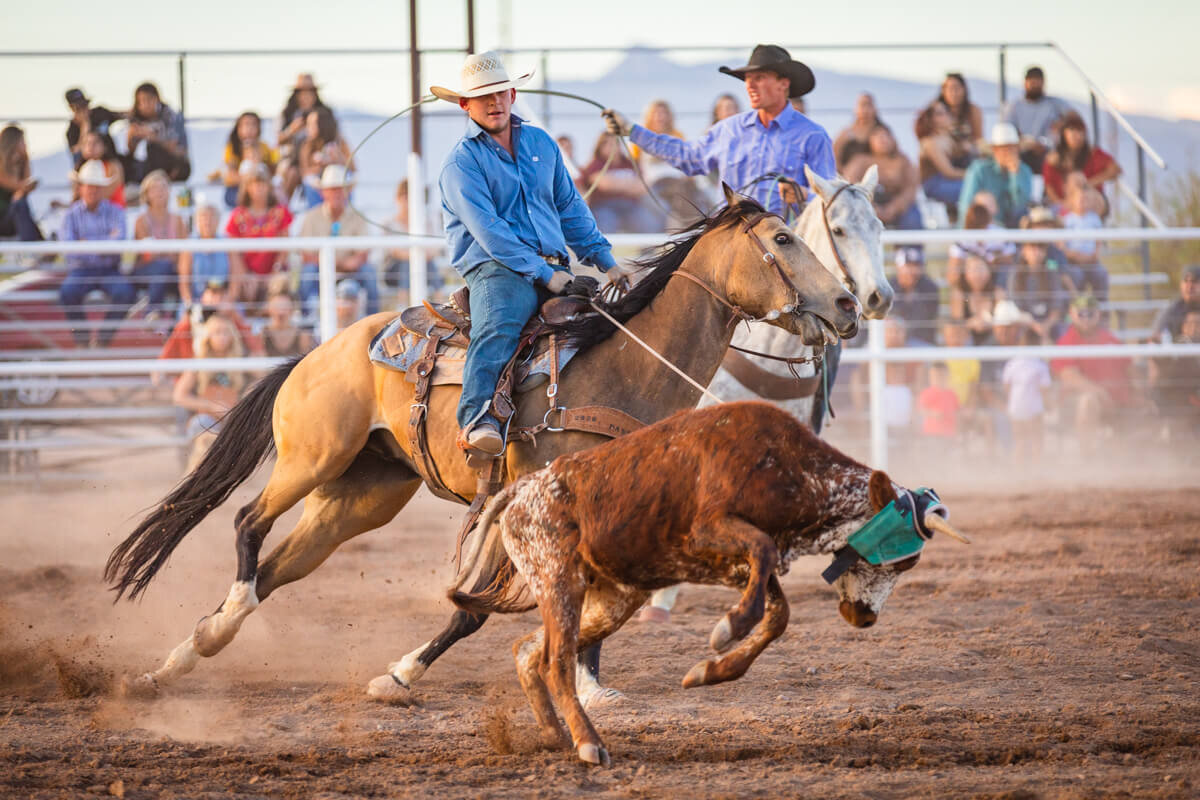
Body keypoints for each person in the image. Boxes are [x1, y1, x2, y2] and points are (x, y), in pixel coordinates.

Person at [432, 50, 628, 458]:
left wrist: (606, 261)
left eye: (500, 92)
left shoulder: (541, 144)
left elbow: (570, 207)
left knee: (606, 326)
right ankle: (477, 418)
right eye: (482, 96)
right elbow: (491, 234)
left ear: (513, 93)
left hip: (553, 265)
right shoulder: (461, 163)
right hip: (496, 269)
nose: (494, 102)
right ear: (465, 105)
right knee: (500, 323)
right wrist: (544, 274)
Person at [604, 44, 832, 216]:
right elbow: (688, 155)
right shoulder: (729, 130)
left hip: (786, 241)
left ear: (784, 83)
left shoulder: (812, 137)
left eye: (759, 78)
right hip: (730, 239)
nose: (750, 85)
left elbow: (832, 199)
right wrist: (632, 131)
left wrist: (805, 196)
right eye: (747, 79)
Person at [58, 160, 134, 348]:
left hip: (109, 270)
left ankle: (102, 338)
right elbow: (69, 249)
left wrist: (85, 244)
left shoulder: (115, 211)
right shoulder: (71, 215)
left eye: (97, 186)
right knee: (67, 292)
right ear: (81, 188)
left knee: (126, 293)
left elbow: (120, 242)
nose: (92, 190)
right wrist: (105, 244)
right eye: (89, 186)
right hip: (82, 271)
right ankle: (84, 339)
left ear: (103, 189)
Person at [1051, 294, 1134, 452]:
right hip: (1075, 405)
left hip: (1114, 402)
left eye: (1090, 313)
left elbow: (1129, 368)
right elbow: (1070, 376)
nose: (1086, 318)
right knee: (1088, 401)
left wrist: (1139, 394)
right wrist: (1100, 393)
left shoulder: (1110, 339)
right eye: (1081, 314)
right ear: (1072, 315)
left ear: (1098, 315)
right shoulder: (1066, 341)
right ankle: (1087, 457)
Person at [298, 165, 378, 318]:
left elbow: (363, 253)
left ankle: (373, 319)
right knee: (308, 272)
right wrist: (340, 263)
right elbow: (306, 255)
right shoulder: (311, 217)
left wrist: (340, 263)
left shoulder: (357, 217)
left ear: (347, 192)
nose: (336, 194)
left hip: (350, 272)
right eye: (332, 189)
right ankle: (305, 318)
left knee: (369, 272)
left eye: (340, 189)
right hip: (321, 271)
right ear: (323, 193)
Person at [173, 314, 248, 470]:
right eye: (217, 332)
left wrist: (237, 409)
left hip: (233, 417)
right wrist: (210, 406)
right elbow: (179, 396)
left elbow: (257, 383)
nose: (221, 337)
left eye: (225, 332)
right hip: (207, 418)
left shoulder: (242, 362)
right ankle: (197, 472)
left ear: (232, 336)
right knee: (201, 425)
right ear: (208, 336)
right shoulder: (198, 363)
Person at [225, 163, 293, 307]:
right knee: (242, 287)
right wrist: (246, 275)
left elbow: (285, 247)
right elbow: (233, 252)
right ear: (247, 188)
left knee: (279, 285)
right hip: (247, 274)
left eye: (262, 184)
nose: (258, 189)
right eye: (254, 185)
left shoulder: (280, 212)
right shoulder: (238, 215)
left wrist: (275, 271)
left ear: (268, 187)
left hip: (275, 271)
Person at [1008, 210, 1076, 342]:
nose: (1036, 252)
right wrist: (1035, 325)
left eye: (1040, 248)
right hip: (1026, 320)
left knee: (1062, 331)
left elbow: (1057, 304)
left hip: (1048, 320)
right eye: (1032, 247)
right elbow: (1016, 305)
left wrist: (1046, 325)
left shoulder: (1052, 271)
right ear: (1024, 251)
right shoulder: (1016, 273)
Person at [578, 133, 660, 234]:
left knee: (649, 223)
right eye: (608, 143)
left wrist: (616, 183)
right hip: (604, 206)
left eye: (615, 143)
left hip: (631, 206)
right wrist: (629, 184)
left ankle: (647, 250)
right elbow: (605, 184)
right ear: (600, 146)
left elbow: (642, 187)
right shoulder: (595, 165)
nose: (612, 147)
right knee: (606, 224)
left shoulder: (630, 163)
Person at [844, 123, 922, 230]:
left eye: (886, 135)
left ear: (893, 139)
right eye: (877, 136)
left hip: (897, 206)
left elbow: (910, 188)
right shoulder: (860, 161)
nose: (882, 139)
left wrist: (894, 208)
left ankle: (909, 247)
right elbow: (849, 184)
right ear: (869, 140)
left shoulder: (903, 161)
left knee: (912, 216)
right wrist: (871, 207)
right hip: (866, 205)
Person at [159, 279, 258, 361]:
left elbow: (254, 346)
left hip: (229, 366)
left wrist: (232, 315)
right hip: (200, 368)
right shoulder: (192, 317)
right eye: (213, 293)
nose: (217, 298)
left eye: (221, 294)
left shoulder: (233, 316)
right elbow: (173, 345)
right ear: (203, 296)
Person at [132, 170, 186, 318]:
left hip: (171, 271)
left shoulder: (178, 219)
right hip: (146, 270)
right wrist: (170, 253)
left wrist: (168, 254)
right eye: (154, 189)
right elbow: (150, 255)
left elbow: (184, 252)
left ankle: (173, 328)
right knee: (163, 266)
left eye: (163, 187)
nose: (159, 192)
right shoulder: (141, 220)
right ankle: (152, 311)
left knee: (185, 279)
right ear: (147, 194)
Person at [957, 122, 1032, 228]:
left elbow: (1020, 205)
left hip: (1011, 230)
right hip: (982, 227)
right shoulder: (979, 170)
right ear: (994, 150)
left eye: (1012, 147)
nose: (1008, 152)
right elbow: (966, 205)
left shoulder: (1024, 171)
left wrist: (1015, 176)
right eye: (1003, 148)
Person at [1042, 112, 1120, 208]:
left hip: (1090, 202)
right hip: (1063, 205)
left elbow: (1115, 170)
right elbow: (1049, 187)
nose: (1076, 135)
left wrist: (1089, 183)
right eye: (1072, 130)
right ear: (1064, 133)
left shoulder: (1092, 153)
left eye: (1080, 131)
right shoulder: (1054, 158)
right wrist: (1062, 204)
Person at [1002, 66, 1071, 172]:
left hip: (1048, 151)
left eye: (1038, 83)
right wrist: (1027, 143)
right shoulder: (1014, 106)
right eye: (1032, 83)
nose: (1034, 86)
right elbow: (1006, 130)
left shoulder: (1054, 104)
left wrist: (1062, 124)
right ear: (1025, 83)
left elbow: (1075, 119)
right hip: (1021, 150)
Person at [1002, 325, 1052, 463]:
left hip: (1016, 406)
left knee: (1020, 441)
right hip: (1034, 407)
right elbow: (1044, 389)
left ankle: (1017, 470)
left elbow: (1006, 386)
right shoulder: (1040, 365)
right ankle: (1036, 469)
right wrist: (1049, 406)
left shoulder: (1013, 363)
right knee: (1037, 440)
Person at [123, 82, 190, 183]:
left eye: (149, 100)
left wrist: (152, 137)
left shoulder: (170, 115)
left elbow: (177, 149)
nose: (145, 105)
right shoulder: (137, 118)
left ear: (157, 99)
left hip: (176, 164)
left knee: (154, 149)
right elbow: (131, 151)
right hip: (150, 165)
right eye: (141, 101)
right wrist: (131, 136)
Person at [1059, 172, 1109, 302]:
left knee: (1101, 274)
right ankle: (1078, 308)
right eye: (1080, 199)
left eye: (1086, 199)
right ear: (1072, 201)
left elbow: (1098, 241)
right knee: (1075, 275)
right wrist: (1072, 255)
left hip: (1091, 260)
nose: (1083, 202)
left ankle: (1101, 310)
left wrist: (1094, 255)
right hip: (1073, 261)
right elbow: (1062, 244)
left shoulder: (1094, 219)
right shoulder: (1067, 220)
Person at [946, 195, 1015, 287]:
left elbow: (1010, 258)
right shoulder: (962, 240)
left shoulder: (999, 235)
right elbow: (952, 274)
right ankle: (966, 300)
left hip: (994, 281)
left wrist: (992, 262)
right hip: (969, 283)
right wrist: (971, 266)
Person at [216, 112, 277, 208]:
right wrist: (249, 180)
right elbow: (229, 176)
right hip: (237, 189)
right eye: (246, 124)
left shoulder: (264, 147)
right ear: (239, 128)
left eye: (253, 124)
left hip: (261, 188)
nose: (250, 128)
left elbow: (272, 171)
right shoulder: (232, 148)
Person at [298, 107, 351, 208]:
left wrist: (337, 158)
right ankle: (317, 212)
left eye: (311, 124)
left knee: (346, 179)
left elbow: (352, 168)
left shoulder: (340, 142)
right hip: (318, 185)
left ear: (322, 125)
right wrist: (320, 166)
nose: (308, 128)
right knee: (310, 181)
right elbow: (304, 173)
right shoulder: (307, 145)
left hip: (337, 181)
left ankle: (344, 212)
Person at [916, 103, 966, 209]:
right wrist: (972, 175)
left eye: (947, 112)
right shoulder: (930, 143)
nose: (947, 116)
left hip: (950, 180)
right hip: (934, 185)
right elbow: (949, 172)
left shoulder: (948, 137)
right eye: (940, 114)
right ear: (931, 120)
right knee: (973, 187)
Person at [178, 204, 230, 306]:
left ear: (218, 221)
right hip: (195, 300)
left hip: (223, 300)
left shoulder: (227, 243)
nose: (208, 221)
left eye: (212, 217)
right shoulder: (189, 245)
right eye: (204, 217)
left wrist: (228, 300)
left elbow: (236, 280)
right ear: (197, 221)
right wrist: (190, 305)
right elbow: (184, 283)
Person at [0, 124, 45, 242]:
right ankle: (35, 246)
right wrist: (23, 190)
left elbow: (26, 182)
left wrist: (26, 157)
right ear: (13, 142)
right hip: (3, 218)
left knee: (21, 202)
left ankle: (39, 244)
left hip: (15, 217)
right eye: (22, 141)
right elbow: (17, 186)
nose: (25, 144)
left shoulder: (20, 163)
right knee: (19, 202)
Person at [950, 253, 1004, 345]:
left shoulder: (997, 293)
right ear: (965, 273)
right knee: (952, 331)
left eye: (981, 269)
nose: (977, 274)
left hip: (993, 338)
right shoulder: (960, 294)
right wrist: (971, 323)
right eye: (973, 270)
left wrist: (989, 323)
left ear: (989, 272)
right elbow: (957, 322)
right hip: (967, 339)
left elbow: (1004, 320)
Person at [889, 246, 941, 343]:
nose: (912, 270)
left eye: (916, 265)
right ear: (898, 267)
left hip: (919, 342)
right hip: (892, 341)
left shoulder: (930, 288)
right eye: (908, 265)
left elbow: (922, 322)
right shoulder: (888, 287)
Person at [64, 87, 119, 169]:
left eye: (85, 105)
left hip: (110, 160)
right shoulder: (72, 130)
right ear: (72, 108)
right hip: (88, 166)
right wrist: (85, 126)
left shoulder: (100, 113)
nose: (84, 110)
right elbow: (77, 153)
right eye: (79, 108)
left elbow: (121, 115)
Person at [73, 130, 125, 207]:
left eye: (95, 143)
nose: (90, 147)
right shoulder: (82, 168)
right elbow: (76, 198)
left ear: (104, 146)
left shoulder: (113, 166)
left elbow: (101, 197)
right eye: (87, 143)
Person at [936, 73, 983, 158]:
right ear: (943, 91)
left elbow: (978, 138)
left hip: (967, 154)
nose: (953, 93)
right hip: (944, 155)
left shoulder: (973, 110)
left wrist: (967, 146)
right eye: (949, 88)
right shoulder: (937, 109)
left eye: (957, 88)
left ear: (964, 90)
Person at [1151, 265, 1200, 342]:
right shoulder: (1171, 310)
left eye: (1194, 281)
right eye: (1185, 281)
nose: (1189, 286)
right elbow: (1156, 338)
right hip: (1179, 352)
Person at [834, 92, 881, 171]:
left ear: (875, 109)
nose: (865, 110)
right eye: (862, 105)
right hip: (848, 178)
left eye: (869, 105)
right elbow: (834, 154)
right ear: (856, 109)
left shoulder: (882, 132)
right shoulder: (846, 132)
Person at [261, 289, 313, 357]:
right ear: (269, 309)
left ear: (292, 309)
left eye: (284, 307)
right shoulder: (262, 335)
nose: (281, 312)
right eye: (276, 306)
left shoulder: (303, 336)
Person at [918, 362, 960, 441]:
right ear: (930, 377)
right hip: (932, 433)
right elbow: (921, 411)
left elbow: (957, 411)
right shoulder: (927, 393)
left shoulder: (952, 394)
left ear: (947, 376)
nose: (939, 378)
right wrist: (933, 414)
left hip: (949, 433)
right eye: (936, 376)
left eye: (942, 375)